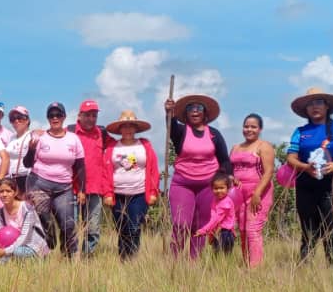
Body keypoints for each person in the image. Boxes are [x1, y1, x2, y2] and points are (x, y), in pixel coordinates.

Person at [285, 87, 333, 264]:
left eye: (319, 102)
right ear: (305, 109)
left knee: (331, 231)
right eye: (310, 104)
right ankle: (304, 270)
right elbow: (291, 157)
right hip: (306, 185)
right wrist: (305, 167)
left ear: (327, 106)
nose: (315, 107)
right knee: (308, 232)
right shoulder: (300, 131)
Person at [163, 94, 232, 259]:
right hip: (182, 183)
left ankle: (194, 264)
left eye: (199, 108)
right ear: (185, 114)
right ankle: (174, 263)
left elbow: (224, 160)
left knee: (201, 226)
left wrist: (228, 177)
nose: (195, 111)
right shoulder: (180, 131)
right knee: (181, 223)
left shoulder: (214, 134)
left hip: (208, 186)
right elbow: (170, 126)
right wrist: (168, 113)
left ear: (205, 113)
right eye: (190, 108)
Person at [23, 102, 86, 257]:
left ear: (64, 117)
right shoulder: (40, 137)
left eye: (58, 115)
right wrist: (31, 149)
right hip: (39, 183)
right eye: (51, 115)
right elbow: (27, 163)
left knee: (68, 224)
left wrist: (82, 190)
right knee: (45, 220)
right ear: (48, 118)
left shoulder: (73, 139)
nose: (55, 118)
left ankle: (69, 258)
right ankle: (45, 252)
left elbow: (80, 167)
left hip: (64, 188)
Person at [102, 111, 160, 260]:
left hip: (139, 193)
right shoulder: (112, 147)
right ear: (119, 129)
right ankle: (123, 257)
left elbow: (153, 169)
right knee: (121, 227)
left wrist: (153, 192)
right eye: (124, 126)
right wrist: (107, 194)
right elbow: (105, 171)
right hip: (118, 194)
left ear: (136, 128)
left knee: (134, 226)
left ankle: (132, 257)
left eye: (131, 126)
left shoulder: (145, 145)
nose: (128, 129)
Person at [231, 114, 275, 267]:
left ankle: (255, 269)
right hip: (238, 194)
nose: (249, 129)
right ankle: (246, 264)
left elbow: (269, 171)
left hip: (259, 193)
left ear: (260, 129)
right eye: (246, 126)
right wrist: (232, 179)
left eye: (253, 127)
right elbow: (231, 170)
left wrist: (257, 193)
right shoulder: (236, 147)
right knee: (242, 230)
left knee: (252, 229)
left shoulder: (264, 146)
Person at [69, 99, 111, 255]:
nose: (91, 119)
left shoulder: (102, 133)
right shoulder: (70, 132)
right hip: (72, 187)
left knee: (92, 229)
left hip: (95, 187)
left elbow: (117, 146)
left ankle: (87, 259)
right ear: (79, 115)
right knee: (70, 227)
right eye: (87, 115)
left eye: (94, 115)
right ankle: (71, 259)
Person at [0, 177, 49, 261]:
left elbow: (25, 237)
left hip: (32, 246)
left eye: (8, 191)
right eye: (1, 191)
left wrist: (5, 251)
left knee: (18, 252)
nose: (4, 194)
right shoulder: (0, 212)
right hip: (11, 248)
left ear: (15, 192)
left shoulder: (27, 209)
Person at [195, 173, 237, 255]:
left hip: (225, 233)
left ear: (228, 188)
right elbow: (214, 217)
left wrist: (204, 230)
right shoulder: (216, 200)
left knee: (224, 255)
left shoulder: (226, 203)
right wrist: (211, 234)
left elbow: (216, 219)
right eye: (216, 188)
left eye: (222, 188)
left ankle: (225, 267)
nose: (218, 191)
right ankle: (219, 267)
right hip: (217, 232)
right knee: (217, 255)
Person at [4, 106, 34, 193]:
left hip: (27, 178)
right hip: (12, 179)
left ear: (27, 120)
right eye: (13, 119)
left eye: (20, 118)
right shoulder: (11, 137)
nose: (16, 121)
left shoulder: (32, 135)